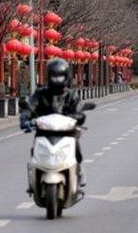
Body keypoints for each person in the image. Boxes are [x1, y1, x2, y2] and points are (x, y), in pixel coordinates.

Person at [19, 58, 87, 186]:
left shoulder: (71, 95)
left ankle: (79, 169)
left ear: (66, 76)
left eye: (60, 76)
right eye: (54, 76)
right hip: (44, 131)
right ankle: (35, 175)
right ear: (49, 76)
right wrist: (25, 119)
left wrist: (78, 117)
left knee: (76, 147)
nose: (57, 79)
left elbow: (79, 111)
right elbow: (30, 107)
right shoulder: (41, 94)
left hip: (67, 132)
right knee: (34, 150)